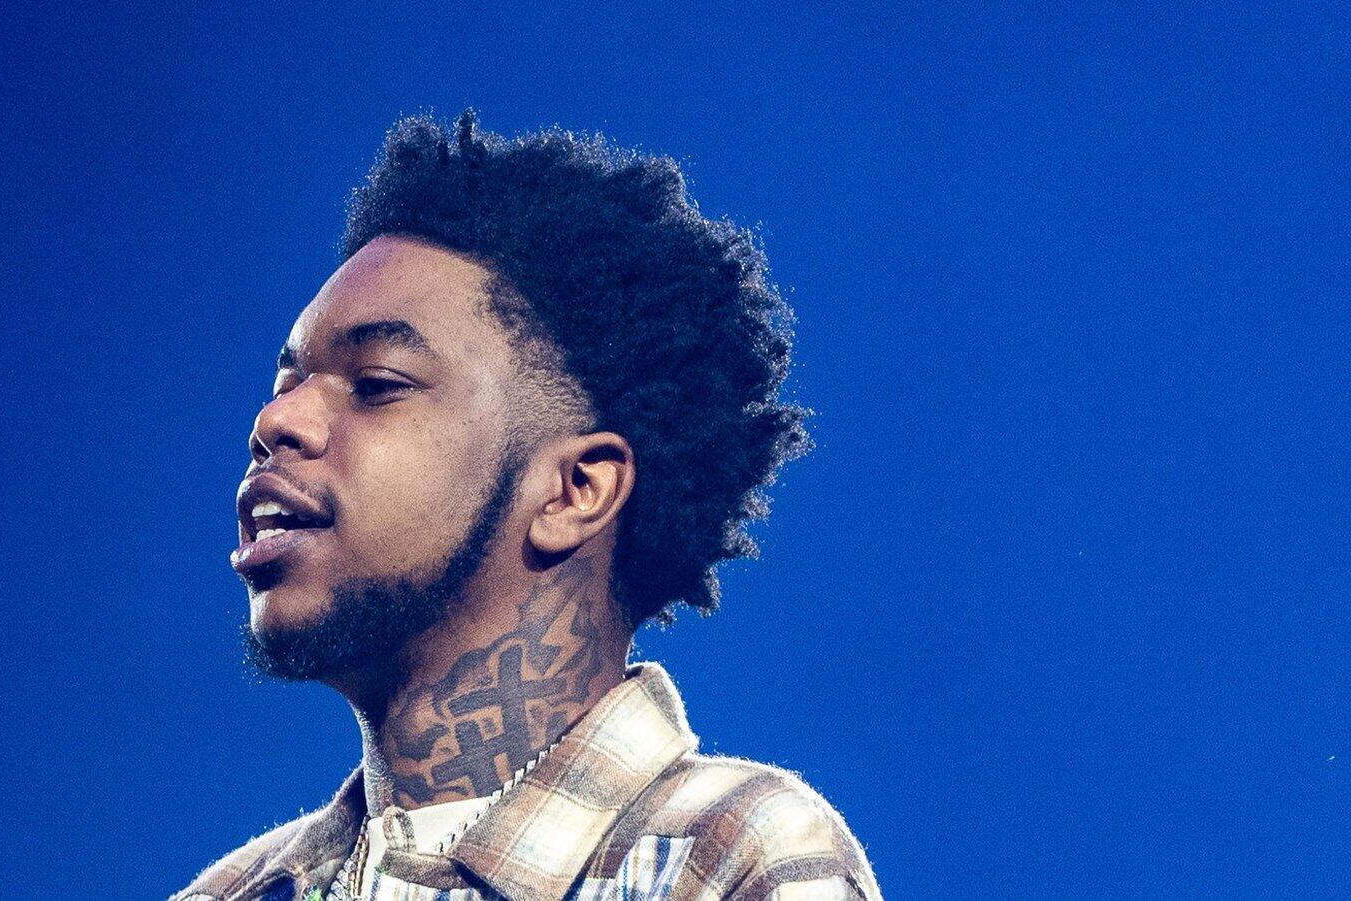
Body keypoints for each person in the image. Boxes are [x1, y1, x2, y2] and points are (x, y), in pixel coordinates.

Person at [173, 111, 881, 901]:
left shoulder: (726, 854)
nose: (276, 421)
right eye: (287, 385)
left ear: (576, 490)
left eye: (375, 385)